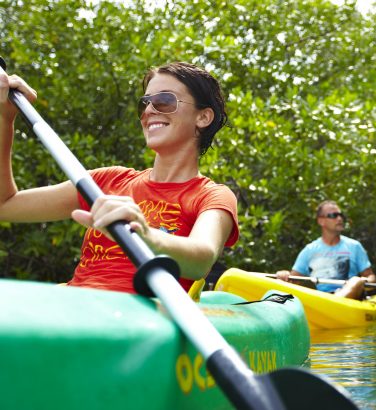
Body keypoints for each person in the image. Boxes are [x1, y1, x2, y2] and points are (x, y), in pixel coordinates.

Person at [0, 62, 239, 293]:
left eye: (164, 101)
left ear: (203, 117)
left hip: (137, 321)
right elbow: (5, 205)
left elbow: (202, 259)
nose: (148, 111)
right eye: (144, 103)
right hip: (76, 307)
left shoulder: (212, 195)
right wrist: (5, 120)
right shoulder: (106, 181)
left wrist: (143, 234)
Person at [276, 200, 376, 299]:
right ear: (321, 221)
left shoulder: (354, 246)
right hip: (324, 300)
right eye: (333, 215)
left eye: (340, 215)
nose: (339, 219)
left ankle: (339, 300)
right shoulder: (309, 250)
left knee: (355, 280)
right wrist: (284, 275)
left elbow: (371, 277)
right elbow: (293, 280)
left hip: (351, 300)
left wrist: (364, 282)